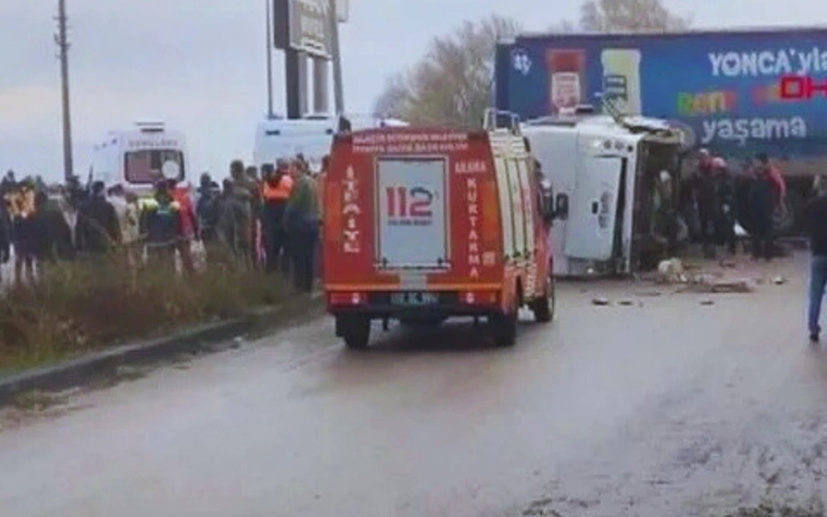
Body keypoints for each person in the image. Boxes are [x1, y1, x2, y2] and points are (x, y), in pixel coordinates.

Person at [283, 162, 320, 293]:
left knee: (299, 257)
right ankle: (308, 286)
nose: (290, 172)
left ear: (298, 169)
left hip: (301, 225)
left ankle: (299, 286)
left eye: (291, 169)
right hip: (313, 223)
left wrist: (286, 219)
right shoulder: (313, 182)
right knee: (309, 257)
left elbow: (294, 204)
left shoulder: (300, 183)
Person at [140, 180, 182, 273]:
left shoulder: (150, 202)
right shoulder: (173, 202)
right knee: (169, 265)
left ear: (157, 189)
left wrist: (144, 235)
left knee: (153, 266)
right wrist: (177, 235)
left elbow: (144, 220)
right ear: (166, 188)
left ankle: (155, 283)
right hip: (169, 240)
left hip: (153, 239)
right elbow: (177, 220)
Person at [804, 177, 827, 343]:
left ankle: (813, 328)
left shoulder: (812, 204)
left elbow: (805, 225)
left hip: (818, 254)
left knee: (815, 294)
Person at [749, 154, 783, 260]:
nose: (755, 164)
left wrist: (779, 202)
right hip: (756, 203)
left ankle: (768, 254)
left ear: (763, 162)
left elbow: (780, 186)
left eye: (757, 161)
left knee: (768, 228)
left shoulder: (771, 173)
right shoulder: (753, 172)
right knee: (755, 229)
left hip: (767, 202)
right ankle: (756, 253)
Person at [261, 160, 294, 274]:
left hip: (271, 213)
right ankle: (286, 275)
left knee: (272, 248)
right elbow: (293, 193)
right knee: (287, 248)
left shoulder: (266, 183)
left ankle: (271, 276)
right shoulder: (288, 180)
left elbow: (265, 195)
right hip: (285, 212)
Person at [76, 181, 120, 256]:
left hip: (88, 244)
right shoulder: (108, 206)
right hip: (104, 243)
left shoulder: (83, 206)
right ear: (102, 191)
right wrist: (116, 241)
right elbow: (114, 226)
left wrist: (78, 246)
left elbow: (78, 228)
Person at [170, 179, 199, 275]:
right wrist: (196, 230)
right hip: (185, 230)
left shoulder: (169, 198)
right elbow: (192, 215)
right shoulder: (184, 196)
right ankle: (190, 276)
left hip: (174, 232)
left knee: (171, 257)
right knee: (187, 256)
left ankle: (173, 278)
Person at [108, 184, 140, 268]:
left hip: (109, 234)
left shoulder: (107, 201)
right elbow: (132, 221)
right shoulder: (124, 204)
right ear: (121, 192)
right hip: (123, 234)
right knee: (126, 255)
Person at [216, 178, 247, 261]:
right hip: (230, 226)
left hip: (227, 226)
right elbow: (244, 213)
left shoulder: (220, 198)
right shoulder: (232, 199)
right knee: (233, 247)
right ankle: (235, 264)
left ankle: (234, 264)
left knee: (230, 247)